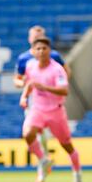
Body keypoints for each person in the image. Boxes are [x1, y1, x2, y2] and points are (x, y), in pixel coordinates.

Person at [20, 37, 82, 182]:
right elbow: (30, 83)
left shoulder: (57, 69)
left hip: (55, 110)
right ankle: (43, 160)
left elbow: (64, 90)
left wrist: (45, 87)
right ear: (33, 52)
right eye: (38, 49)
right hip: (38, 109)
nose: (41, 51)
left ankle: (77, 174)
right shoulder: (30, 66)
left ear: (50, 51)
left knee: (67, 145)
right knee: (28, 133)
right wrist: (24, 96)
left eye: (44, 48)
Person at [14, 25, 71, 164]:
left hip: (50, 99)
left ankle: (44, 161)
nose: (38, 41)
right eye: (35, 37)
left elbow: (66, 72)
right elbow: (17, 79)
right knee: (32, 134)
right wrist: (27, 85)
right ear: (30, 39)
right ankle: (43, 162)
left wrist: (57, 86)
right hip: (33, 98)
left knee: (45, 135)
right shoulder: (24, 58)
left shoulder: (54, 55)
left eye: (40, 37)